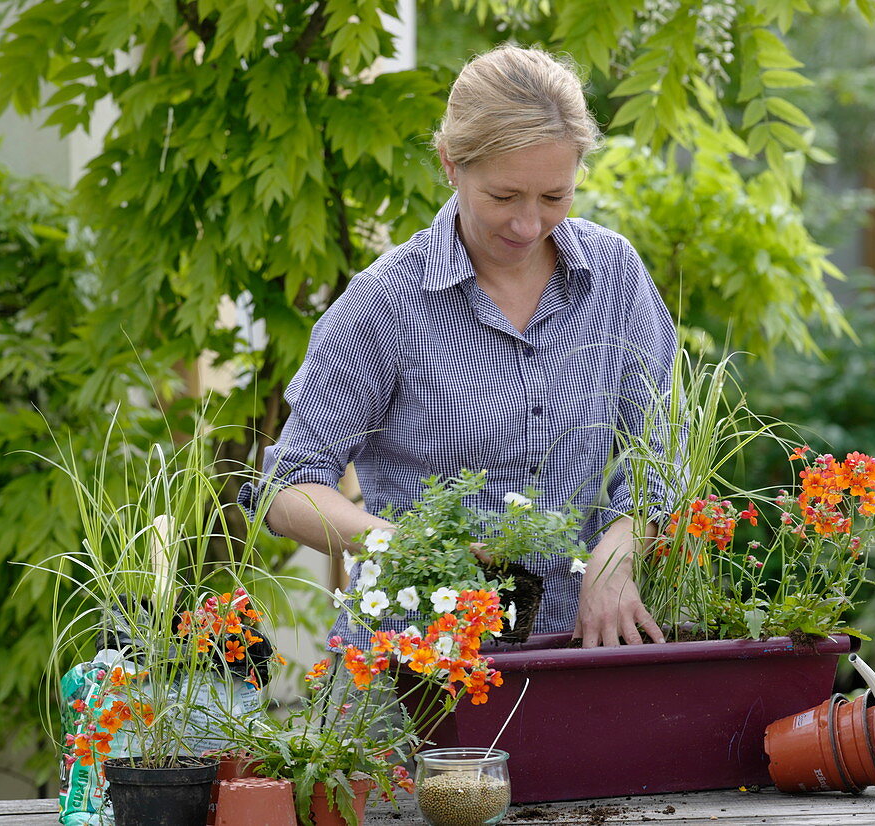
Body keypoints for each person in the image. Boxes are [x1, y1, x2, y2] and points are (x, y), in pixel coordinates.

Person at [242, 44, 677, 649]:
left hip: (578, 660)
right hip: (411, 674)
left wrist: (617, 554)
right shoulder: (387, 303)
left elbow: (661, 460)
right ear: (450, 162)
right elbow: (287, 490)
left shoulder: (614, 277)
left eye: (554, 197)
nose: (528, 225)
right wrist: (406, 545)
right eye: (503, 197)